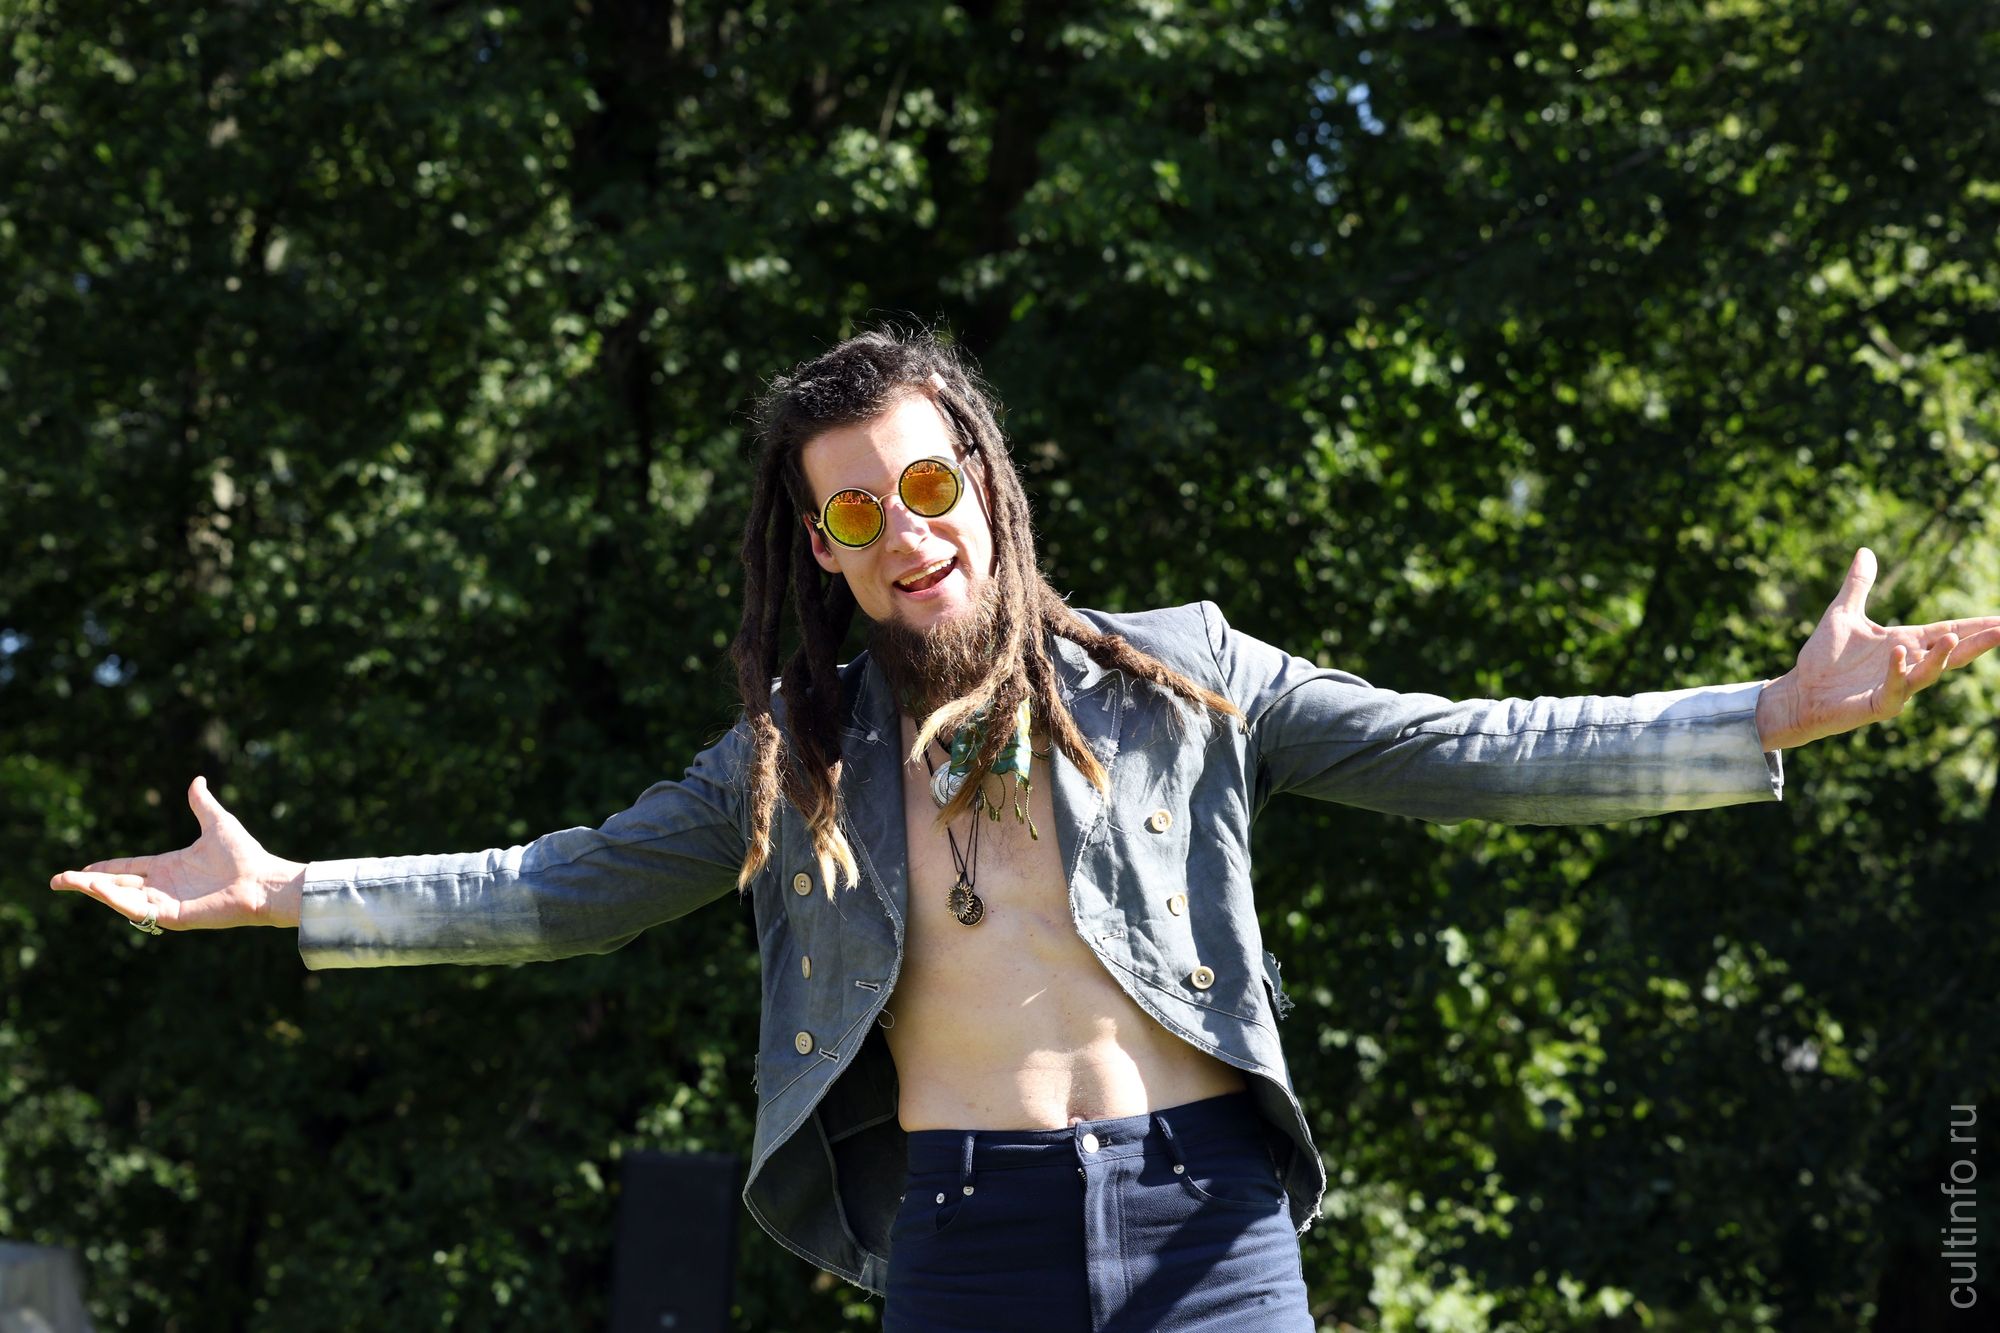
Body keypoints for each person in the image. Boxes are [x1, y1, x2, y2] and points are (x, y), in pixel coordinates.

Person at [49, 327, 1999, 1331]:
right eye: (853, 513)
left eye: (925, 486)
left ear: (980, 479)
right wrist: (292, 893)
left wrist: (1760, 716)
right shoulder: (793, 757)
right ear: (821, 549)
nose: (903, 534)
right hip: (963, 1240)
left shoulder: (1185, 674)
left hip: (1209, 1222)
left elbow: (1466, 749)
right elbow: (562, 889)